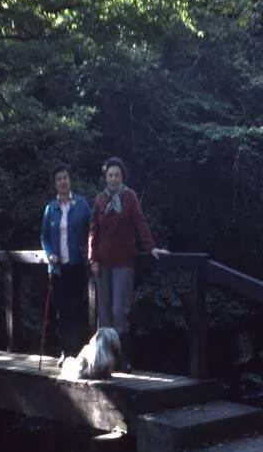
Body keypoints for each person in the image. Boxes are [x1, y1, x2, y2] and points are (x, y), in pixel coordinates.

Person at [88, 157, 168, 370]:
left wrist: (151, 247)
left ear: (122, 177)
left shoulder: (130, 197)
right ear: (105, 178)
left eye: (117, 175)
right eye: (110, 175)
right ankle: (102, 361)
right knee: (103, 315)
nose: (114, 178)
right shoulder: (99, 200)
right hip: (102, 264)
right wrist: (92, 259)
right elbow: (93, 232)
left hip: (124, 262)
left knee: (119, 311)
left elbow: (140, 222)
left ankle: (121, 359)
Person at [40, 163, 92, 366]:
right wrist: (50, 254)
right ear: (55, 184)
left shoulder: (81, 204)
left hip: (77, 265)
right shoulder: (49, 209)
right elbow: (44, 237)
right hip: (58, 268)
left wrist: (88, 252)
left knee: (77, 310)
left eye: (65, 178)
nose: (63, 181)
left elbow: (92, 230)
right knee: (61, 311)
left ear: (70, 180)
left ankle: (79, 354)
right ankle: (64, 352)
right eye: (59, 179)